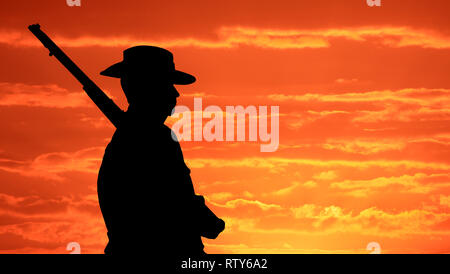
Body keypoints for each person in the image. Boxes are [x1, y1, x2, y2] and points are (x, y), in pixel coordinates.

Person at [97, 46, 215, 255]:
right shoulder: (150, 142)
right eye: (167, 84)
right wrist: (207, 221)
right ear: (146, 87)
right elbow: (171, 204)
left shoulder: (153, 138)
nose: (175, 92)